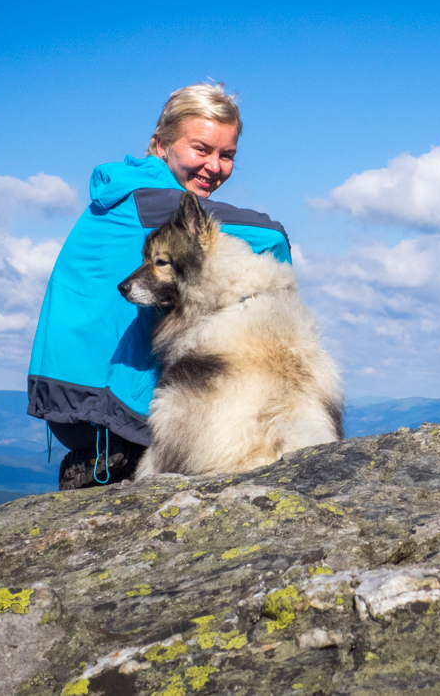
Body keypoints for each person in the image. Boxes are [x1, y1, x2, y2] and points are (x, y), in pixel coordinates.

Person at [27, 83, 292, 489]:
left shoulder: (125, 190)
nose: (215, 166)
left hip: (72, 399)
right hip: (102, 408)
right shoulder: (150, 200)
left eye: (227, 155)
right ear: (161, 143)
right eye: (201, 149)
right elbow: (270, 235)